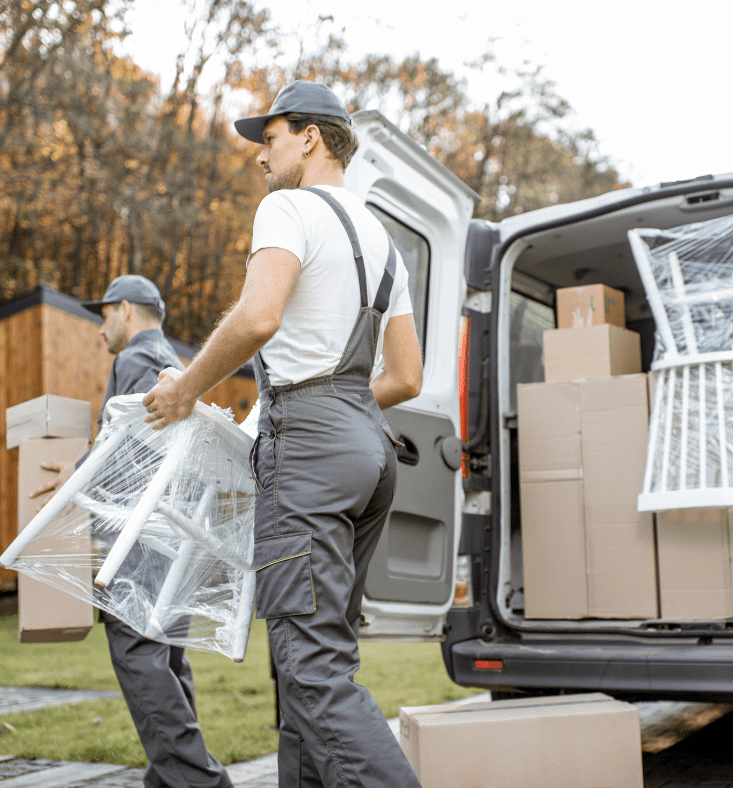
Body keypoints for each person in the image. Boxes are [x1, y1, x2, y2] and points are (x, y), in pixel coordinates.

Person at [142, 80, 424, 787]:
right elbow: (408, 376)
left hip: (312, 451)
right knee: (315, 661)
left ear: (310, 137)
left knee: (310, 666)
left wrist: (183, 388)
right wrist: (334, 410)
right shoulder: (383, 240)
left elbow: (259, 317)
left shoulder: (288, 208)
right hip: (367, 447)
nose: (261, 158)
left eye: (268, 139)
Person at [31, 274, 233, 788]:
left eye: (103, 317)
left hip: (143, 538)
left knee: (138, 653)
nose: (101, 331)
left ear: (124, 309)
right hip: (171, 537)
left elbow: (134, 447)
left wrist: (80, 481)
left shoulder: (138, 359)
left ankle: (201, 782)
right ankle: (168, 781)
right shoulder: (170, 361)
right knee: (164, 659)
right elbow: (137, 436)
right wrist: (77, 469)